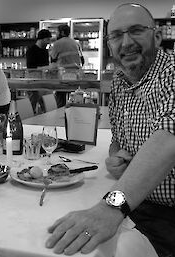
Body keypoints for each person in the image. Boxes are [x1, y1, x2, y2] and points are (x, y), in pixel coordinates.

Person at [45, 3, 175, 257]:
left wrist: (110, 207)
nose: (125, 42)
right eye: (116, 35)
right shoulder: (119, 78)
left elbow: (169, 138)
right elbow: (118, 139)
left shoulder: (171, 74)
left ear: (157, 36)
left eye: (136, 30)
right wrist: (116, 156)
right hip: (137, 205)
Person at [50, 24, 83, 107]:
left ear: (62, 32)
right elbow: (82, 60)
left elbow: (53, 59)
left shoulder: (57, 43)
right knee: (74, 100)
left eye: (57, 32)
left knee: (60, 99)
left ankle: (60, 116)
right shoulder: (76, 43)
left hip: (63, 75)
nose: (56, 34)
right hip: (75, 76)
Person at [26, 29, 52, 113]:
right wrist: (48, 67)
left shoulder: (45, 51)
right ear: (42, 39)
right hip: (33, 81)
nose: (49, 42)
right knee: (31, 107)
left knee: (47, 107)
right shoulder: (31, 50)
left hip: (44, 81)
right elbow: (30, 67)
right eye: (48, 39)